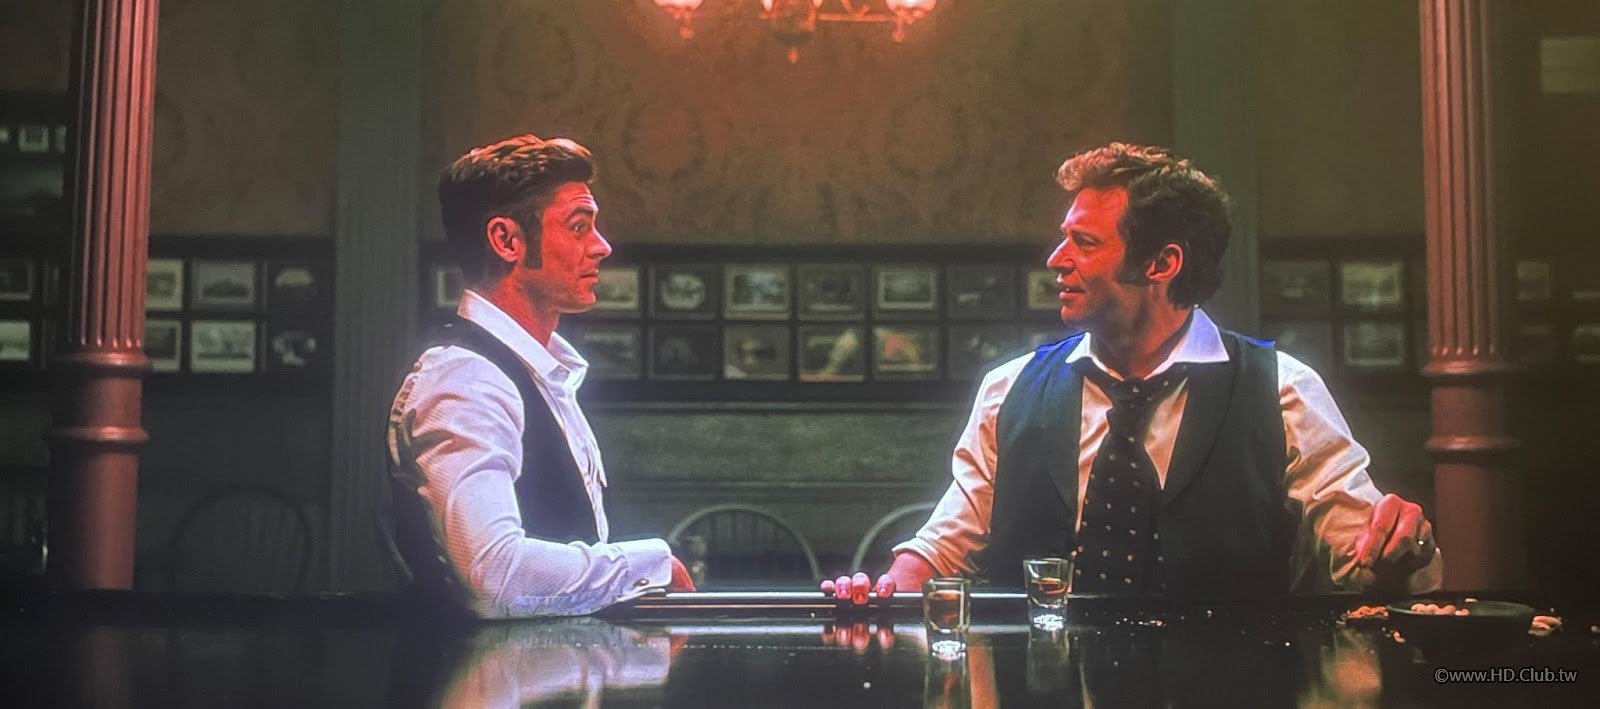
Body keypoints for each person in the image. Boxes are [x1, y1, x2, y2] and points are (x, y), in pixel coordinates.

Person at [828, 142, 1442, 601]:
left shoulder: (1282, 390)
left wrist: (1399, 545)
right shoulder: (1009, 389)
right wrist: (883, 591)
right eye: (1064, 238)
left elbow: (1364, 554)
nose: (1056, 259)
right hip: (1040, 690)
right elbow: (947, 547)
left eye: (1085, 243)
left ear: (1162, 263)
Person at [387, 134, 694, 618]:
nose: (601, 246)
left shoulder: (539, 374)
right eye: (578, 227)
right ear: (507, 241)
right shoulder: (465, 380)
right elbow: (494, 576)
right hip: (479, 668)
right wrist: (650, 563)